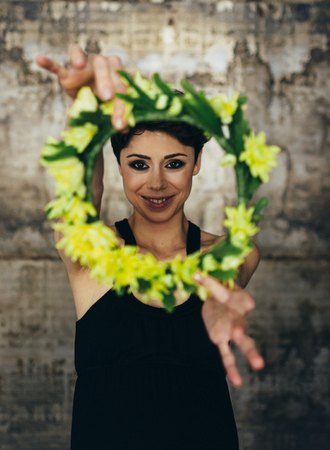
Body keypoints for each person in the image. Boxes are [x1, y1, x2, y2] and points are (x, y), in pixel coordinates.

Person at [37, 45, 264, 450]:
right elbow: (81, 195)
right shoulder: (94, 253)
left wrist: (215, 299)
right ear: (118, 163)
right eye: (139, 164)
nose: (156, 184)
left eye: (174, 163)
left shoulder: (231, 253)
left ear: (196, 163)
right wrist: (85, 110)